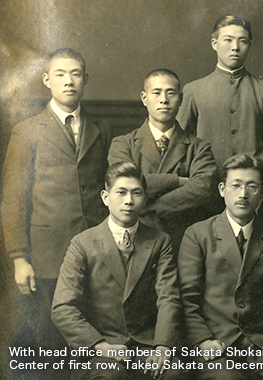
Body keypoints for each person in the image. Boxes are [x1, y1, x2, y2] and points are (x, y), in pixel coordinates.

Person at [1, 48, 112, 354]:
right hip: (47, 253)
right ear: (47, 80)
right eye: (60, 75)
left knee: (92, 336)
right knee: (51, 340)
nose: (68, 81)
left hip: (94, 248)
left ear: (85, 79)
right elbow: (13, 199)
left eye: (75, 74)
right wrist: (19, 257)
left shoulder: (101, 128)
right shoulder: (26, 131)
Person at [52, 162, 186, 380]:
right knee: (112, 375)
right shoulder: (82, 243)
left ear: (144, 198)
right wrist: (99, 345)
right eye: (121, 193)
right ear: (105, 197)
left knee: (174, 373)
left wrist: (162, 345)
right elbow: (63, 307)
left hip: (147, 345)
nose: (129, 201)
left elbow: (168, 298)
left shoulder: (160, 241)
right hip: (100, 348)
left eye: (136, 193)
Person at [178, 154, 263, 380]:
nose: (243, 194)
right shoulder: (198, 234)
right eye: (235, 185)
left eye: (252, 187)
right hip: (217, 345)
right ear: (221, 189)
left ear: (261, 193)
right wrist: (202, 340)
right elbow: (187, 298)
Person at [108, 69, 218, 249]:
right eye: (156, 93)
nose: (164, 100)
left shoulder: (199, 148)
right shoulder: (123, 144)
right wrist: (178, 181)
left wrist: (150, 208)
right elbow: (126, 184)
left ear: (181, 99)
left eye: (171, 93)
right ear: (144, 98)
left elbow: (203, 188)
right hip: (136, 239)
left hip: (183, 241)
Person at [177, 15, 263, 166]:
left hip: (254, 180)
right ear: (214, 43)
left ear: (249, 46)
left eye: (243, 41)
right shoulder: (193, 90)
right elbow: (182, 143)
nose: (235, 47)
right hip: (207, 179)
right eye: (228, 40)